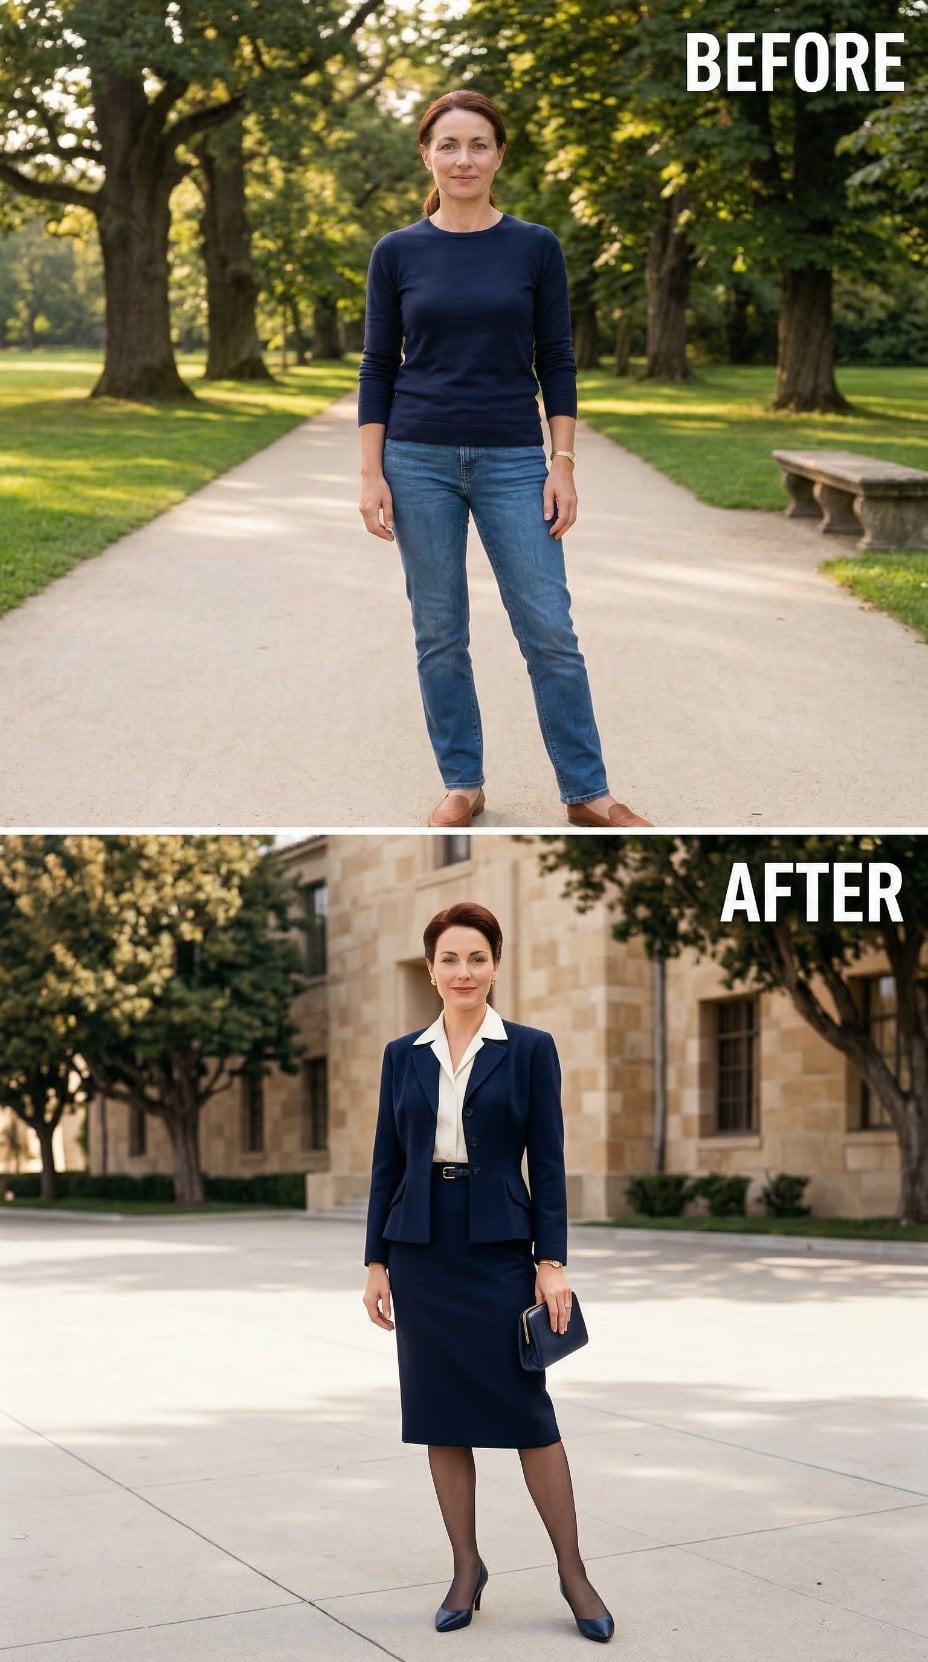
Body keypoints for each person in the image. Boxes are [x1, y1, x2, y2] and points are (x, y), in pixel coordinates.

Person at [358, 88, 652, 831]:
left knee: (549, 628)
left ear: (499, 156)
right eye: (449, 145)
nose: (464, 158)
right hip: (416, 457)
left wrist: (564, 462)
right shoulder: (396, 253)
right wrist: (371, 475)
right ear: (426, 154)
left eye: (479, 144)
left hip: (516, 458)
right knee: (440, 630)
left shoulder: (535, 246)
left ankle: (587, 793)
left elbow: (556, 359)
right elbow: (375, 367)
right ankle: (464, 783)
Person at [362, 901, 615, 1643]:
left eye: (476, 958)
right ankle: (466, 1569)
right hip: (421, 1253)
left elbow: (552, 1159)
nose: (463, 971)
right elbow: (387, 1160)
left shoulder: (530, 1049)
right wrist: (376, 1259)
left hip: (500, 1247)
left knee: (531, 1416)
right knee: (441, 1413)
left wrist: (552, 1262)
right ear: (431, 969)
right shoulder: (402, 1054)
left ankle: (573, 1575)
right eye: (449, 959)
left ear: (495, 966)